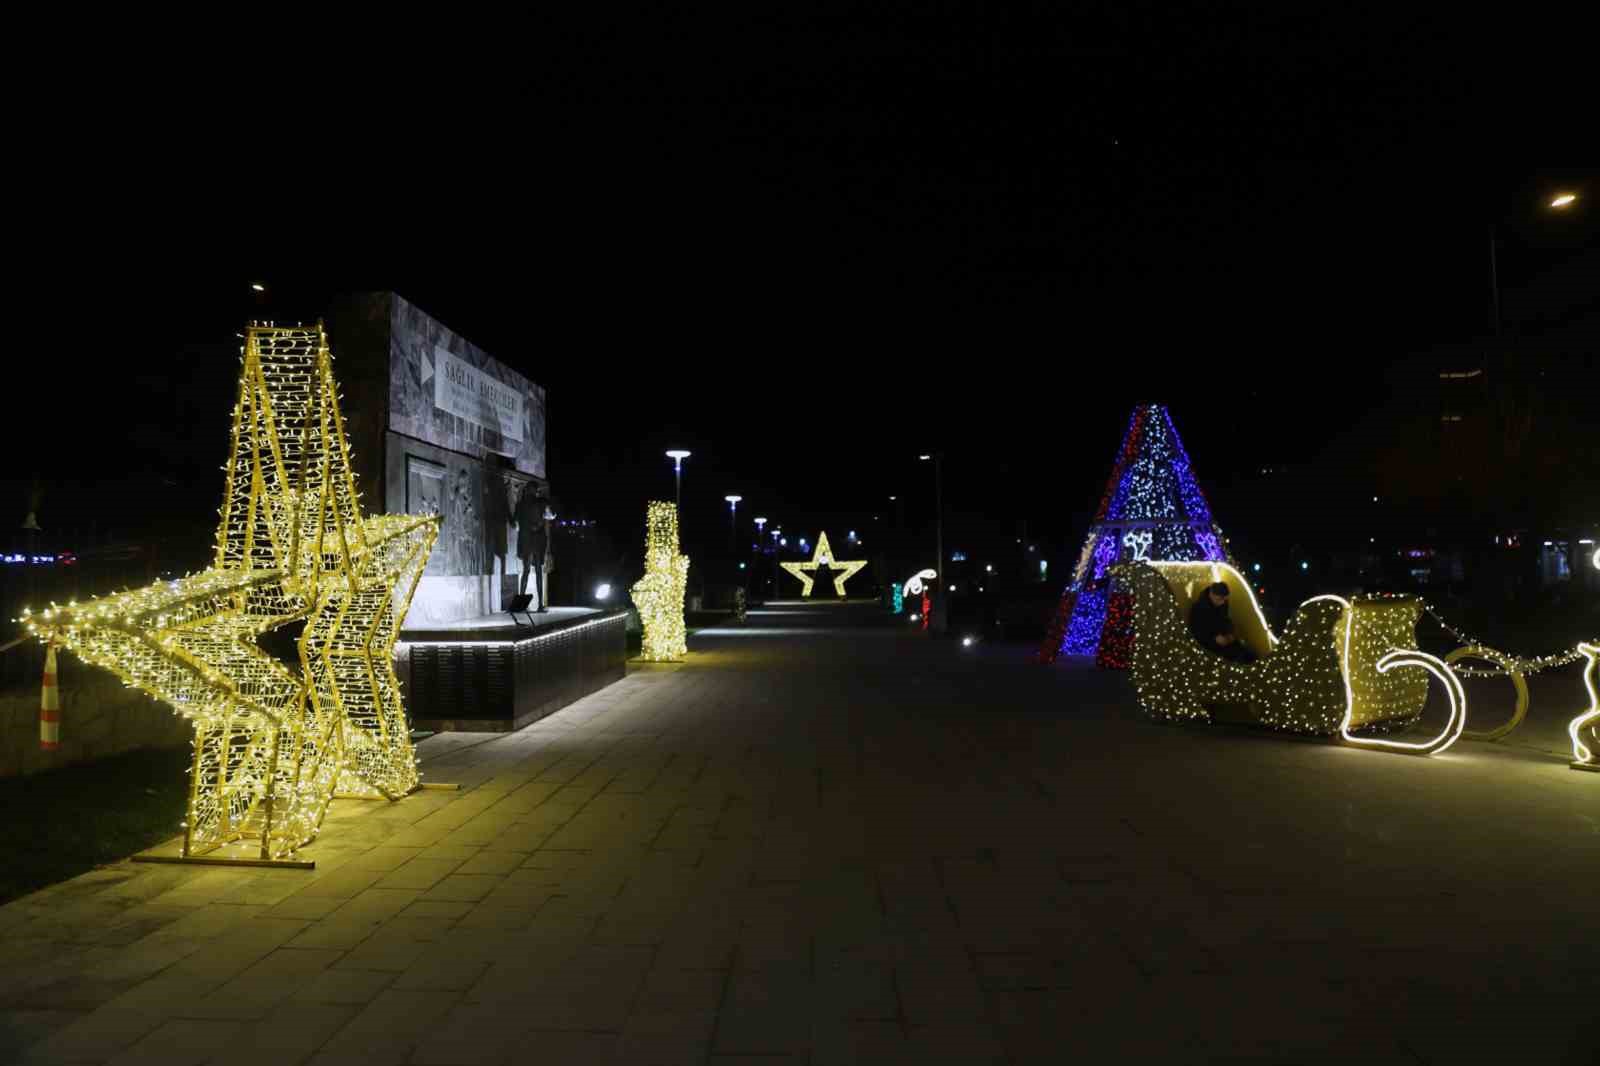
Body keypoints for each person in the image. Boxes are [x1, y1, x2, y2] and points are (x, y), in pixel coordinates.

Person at [1190, 581, 1257, 663]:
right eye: (1219, 599)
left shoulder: (1222, 604)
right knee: (1238, 658)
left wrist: (1230, 633)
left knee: (1249, 654)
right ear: (1211, 594)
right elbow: (1197, 633)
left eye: (1224, 600)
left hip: (1224, 640)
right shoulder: (1198, 609)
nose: (1222, 603)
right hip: (1209, 646)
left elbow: (1225, 620)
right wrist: (1214, 638)